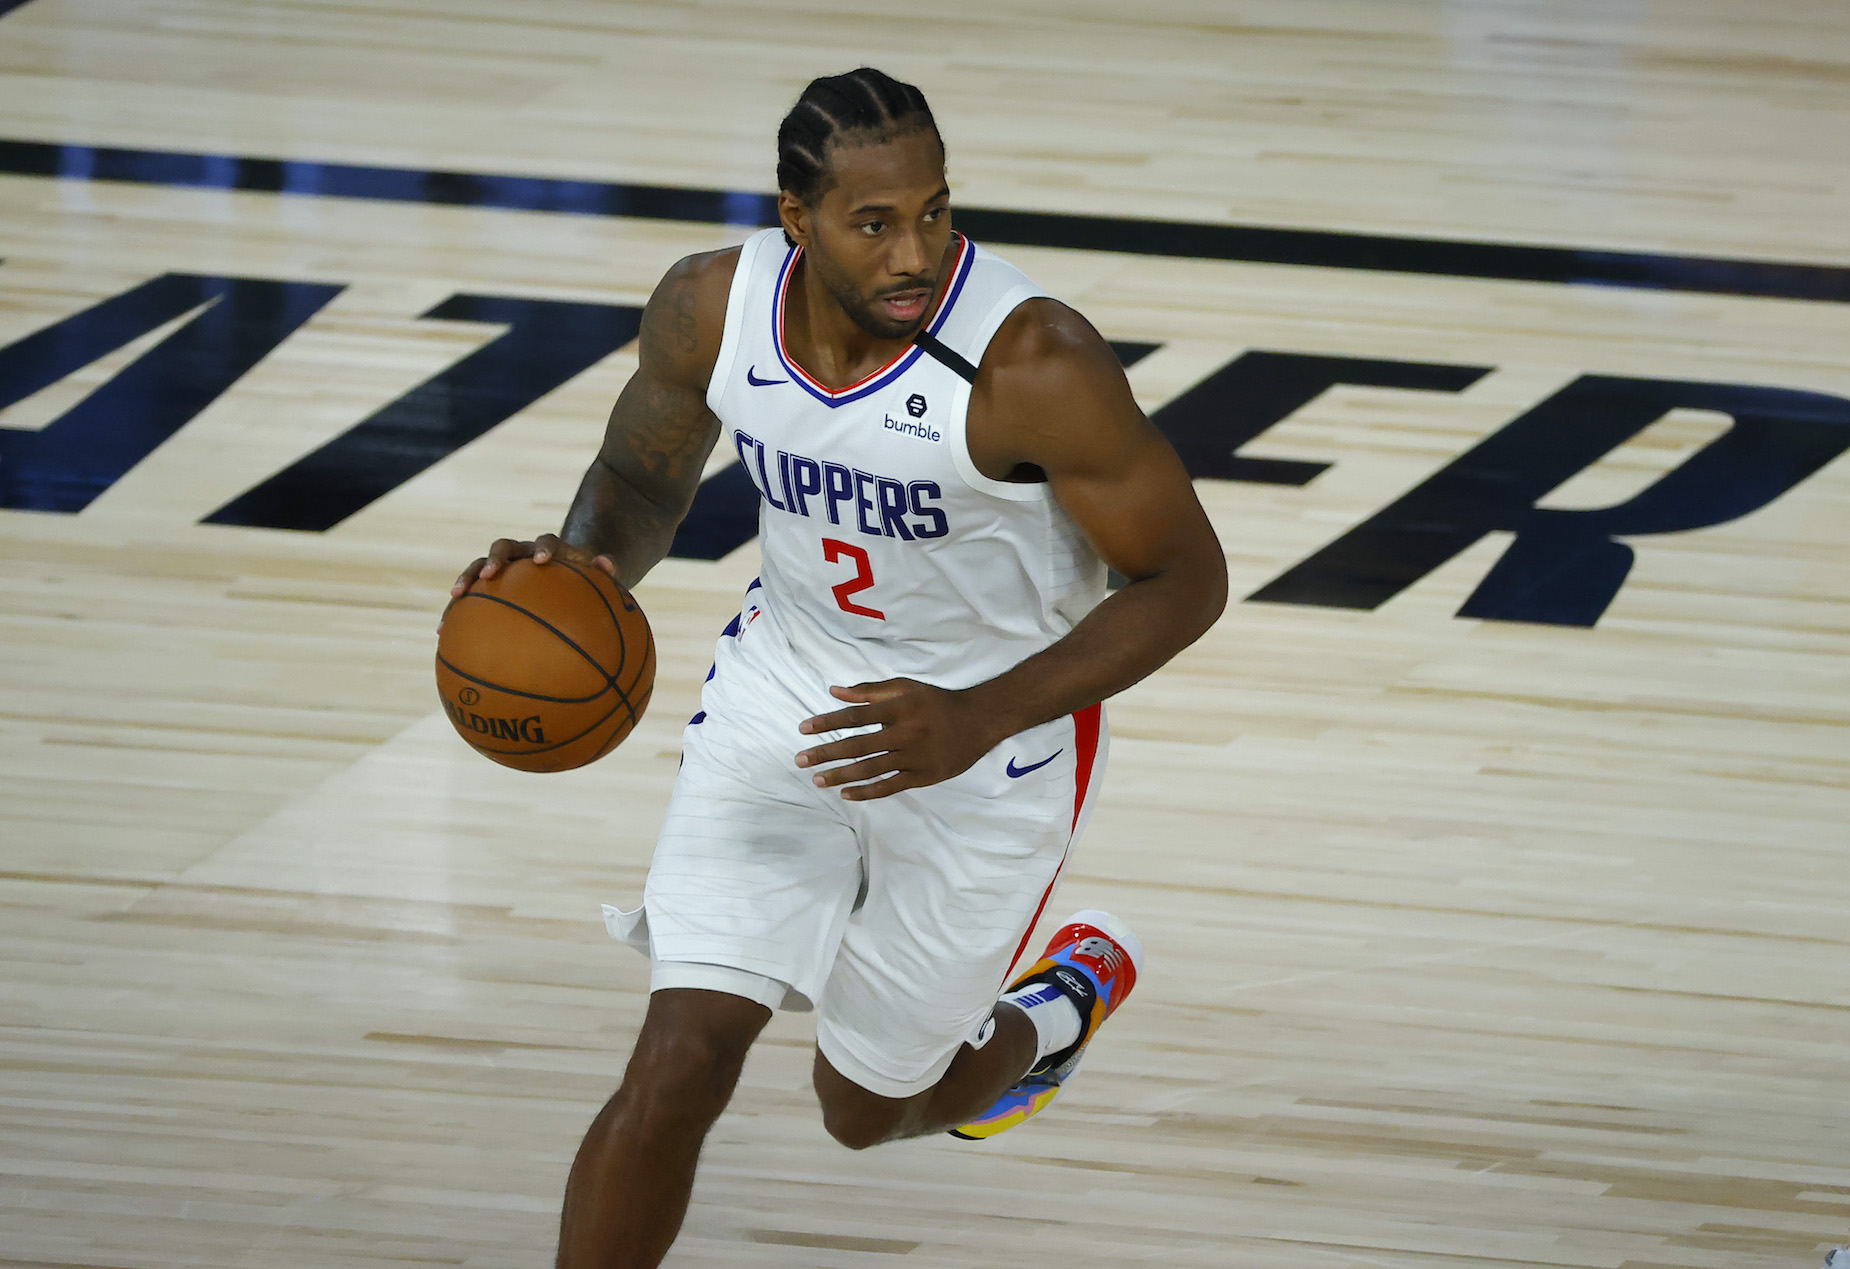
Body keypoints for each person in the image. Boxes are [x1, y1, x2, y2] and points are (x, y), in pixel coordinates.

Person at [452, 67, 1227, 1269]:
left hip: (992, 742)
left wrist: (974, 717)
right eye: (874, 224)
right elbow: (644, 479)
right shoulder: (709, 308)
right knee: (677, 1059)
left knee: (861, 1110)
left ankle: (1050, 1015)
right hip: (784, 698)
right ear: (794, 220)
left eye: (933, 211)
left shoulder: (1033, 365)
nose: (914, 251)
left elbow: (1187, 580)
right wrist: (579, 570)